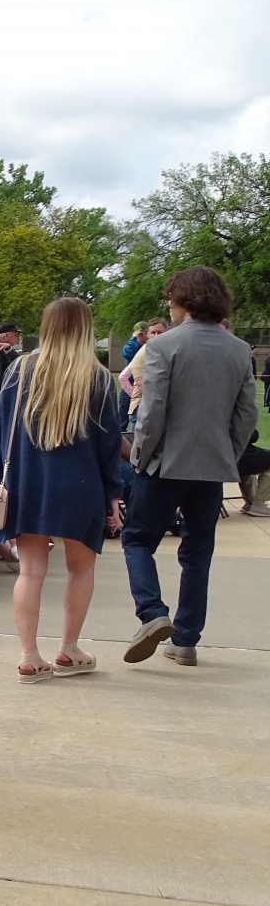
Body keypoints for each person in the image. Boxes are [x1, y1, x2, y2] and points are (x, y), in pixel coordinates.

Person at [122, 266, 258, 666]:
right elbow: (246, 415)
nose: (167, 304)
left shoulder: (164, 346)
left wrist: (139, 457)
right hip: (212, 467)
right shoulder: (239, 349)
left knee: (137, 540)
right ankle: (185, 641)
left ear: (184, 299)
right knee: (198, 553)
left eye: (171, 297)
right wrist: (228, 454)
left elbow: (152, 412)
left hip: (165, 464)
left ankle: (152, 612)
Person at [0, 297, 124, 683]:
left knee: (30, 571)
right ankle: (69, 648)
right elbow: (109, 445)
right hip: (82, 485)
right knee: (80, 569)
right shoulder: (98, 377)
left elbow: (1, 433)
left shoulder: (19, 370)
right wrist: (113, 492)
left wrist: (2, 474)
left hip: (28, 482)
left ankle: (29, 656)